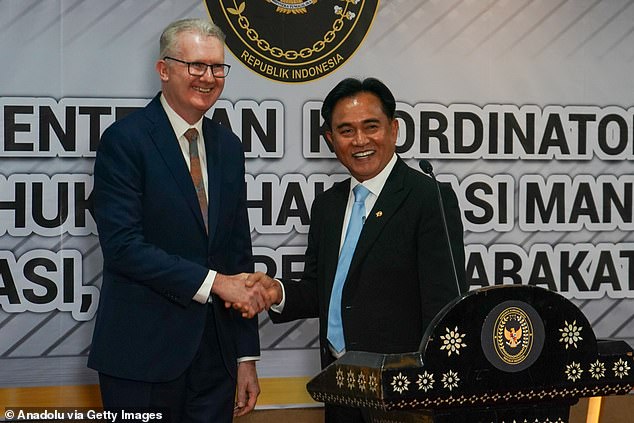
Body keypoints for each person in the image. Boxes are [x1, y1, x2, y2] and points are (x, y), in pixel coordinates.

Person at [243, 77, 467, 422]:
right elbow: (323, 288)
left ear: (393, 129)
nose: (360, 141)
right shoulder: (327, 206)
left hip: (402, 396)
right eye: (346, 131)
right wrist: (278, 292)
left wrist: (431, 398)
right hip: (340, 384)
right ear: (331, 140)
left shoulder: (428, 198)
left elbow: (444, 307)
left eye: (371, 127)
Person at [88, 18, 267, 422]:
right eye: (196, 66)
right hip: (142, 358)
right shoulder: (125, 140)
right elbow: (123, 248)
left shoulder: (229, 148)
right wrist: (215, 283)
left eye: (218, 67)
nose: (209, 77)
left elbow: (237, 253)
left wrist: (245, 355)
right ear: (164, 70)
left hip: (214, 361)